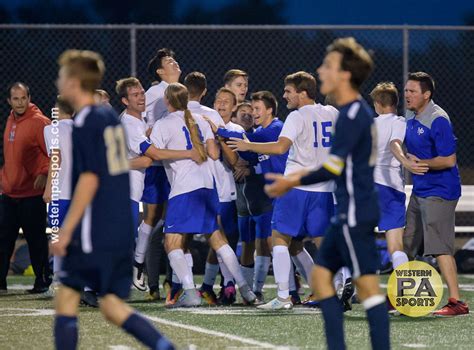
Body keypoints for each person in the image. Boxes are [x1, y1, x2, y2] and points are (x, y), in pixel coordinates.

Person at [263, 37, 390, 350]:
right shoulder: (345, 112)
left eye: (328, 65)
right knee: (321, 280)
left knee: (368, 288)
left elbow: (333, 167)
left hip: (355, 211)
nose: (321, 70)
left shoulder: (352, 115)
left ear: (344, 74)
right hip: (347, 207)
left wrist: (291, 181)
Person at [52, 49, 173, 350]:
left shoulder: (89, 121)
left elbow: (91, 178)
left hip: (97, 227)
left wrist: (66, 231)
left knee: (69, 296)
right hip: (116, 222)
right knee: (109, 305)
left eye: (62, 76)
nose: (58, 82)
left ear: (75, 81)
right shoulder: (107, 117)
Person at [227, 73, 338, 310]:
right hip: (324, 188)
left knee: (278, 238)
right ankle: (335, 289)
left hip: (296, 186)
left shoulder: (296, 116)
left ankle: (284, 296)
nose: (285, 95)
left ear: (303, 92)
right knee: (324, 241)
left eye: (288, 91)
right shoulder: (332, 113)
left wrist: (248, 145)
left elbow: (280, 147)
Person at [149, 83, 256, 307]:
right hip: (208, 186)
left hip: (184, 188)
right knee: (218, 239)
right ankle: (245, 290)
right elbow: (215, 154)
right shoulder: (201, 119)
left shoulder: (163, 123)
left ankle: (189, 292)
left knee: (172, 243)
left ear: (168, 102)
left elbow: (154, 153)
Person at [116, 77, 201, 292]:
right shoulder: (130, 124)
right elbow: (150, 156)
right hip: (125, 189)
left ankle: (133, 269)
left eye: (142, 92)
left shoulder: (139, 120)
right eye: (135, 95)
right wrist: (189, 153)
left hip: (134, 187)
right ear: (125, 100)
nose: (141, 97)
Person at [401, 72, 468, 316]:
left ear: (426, 95)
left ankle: (456, 302)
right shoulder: (411, 116)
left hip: (440, 192)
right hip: (421, 190)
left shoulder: (438, 119)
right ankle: (408, 296)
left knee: (439, 247)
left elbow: (449, 160)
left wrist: (421, 164)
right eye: (406, 90)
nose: (407, 95)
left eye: (412, 91)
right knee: (408, 243)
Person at [212, 91, 288, 303]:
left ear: (270, 110)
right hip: (251, 195)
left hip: (273, 194)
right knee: (250, 241)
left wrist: (216, 129)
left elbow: (250, 143)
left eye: (256, 109)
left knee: (275, 243)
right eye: (249, 109)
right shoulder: (263, 130)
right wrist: (247, 165)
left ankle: (286, 290)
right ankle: (251, 292)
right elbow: (250, 156)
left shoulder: (273, 129)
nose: (252, 113)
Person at [0, 82, 52, 294]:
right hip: (9, 193)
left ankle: (41, 282)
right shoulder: (10, 119)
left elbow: (55, 154)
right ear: (9, 101)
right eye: (16, 99)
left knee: (36, 240)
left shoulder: (41, 122)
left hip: (31, 194)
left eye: (23, 98)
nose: (20, 103)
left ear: (29, 98)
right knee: (3, 239)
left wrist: (44, 174)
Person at [142, 48, 182, 300]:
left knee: (175, 224)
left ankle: (172, 280)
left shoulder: (180, 91)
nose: (175, 62)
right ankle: (153, 281)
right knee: (157, 223)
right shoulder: (156, 93)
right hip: (160, 168)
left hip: (177, 166)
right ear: (160, 71)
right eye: (169, 61)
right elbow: (152, 132)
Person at [370, 82, 410, 269]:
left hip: (367, 186)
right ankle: (403, 293)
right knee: (395, 244)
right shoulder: (399, 121)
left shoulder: (369, 124)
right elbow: (395, 143)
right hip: (390, 187)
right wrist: (406, 161)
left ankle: (354, 286)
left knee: (361, 239)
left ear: (378, 103)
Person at [43, 95, 75, 294]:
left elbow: (56, 157)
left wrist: (49, 188)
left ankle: (58, 282)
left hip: (61, 191)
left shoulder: (51, 128)